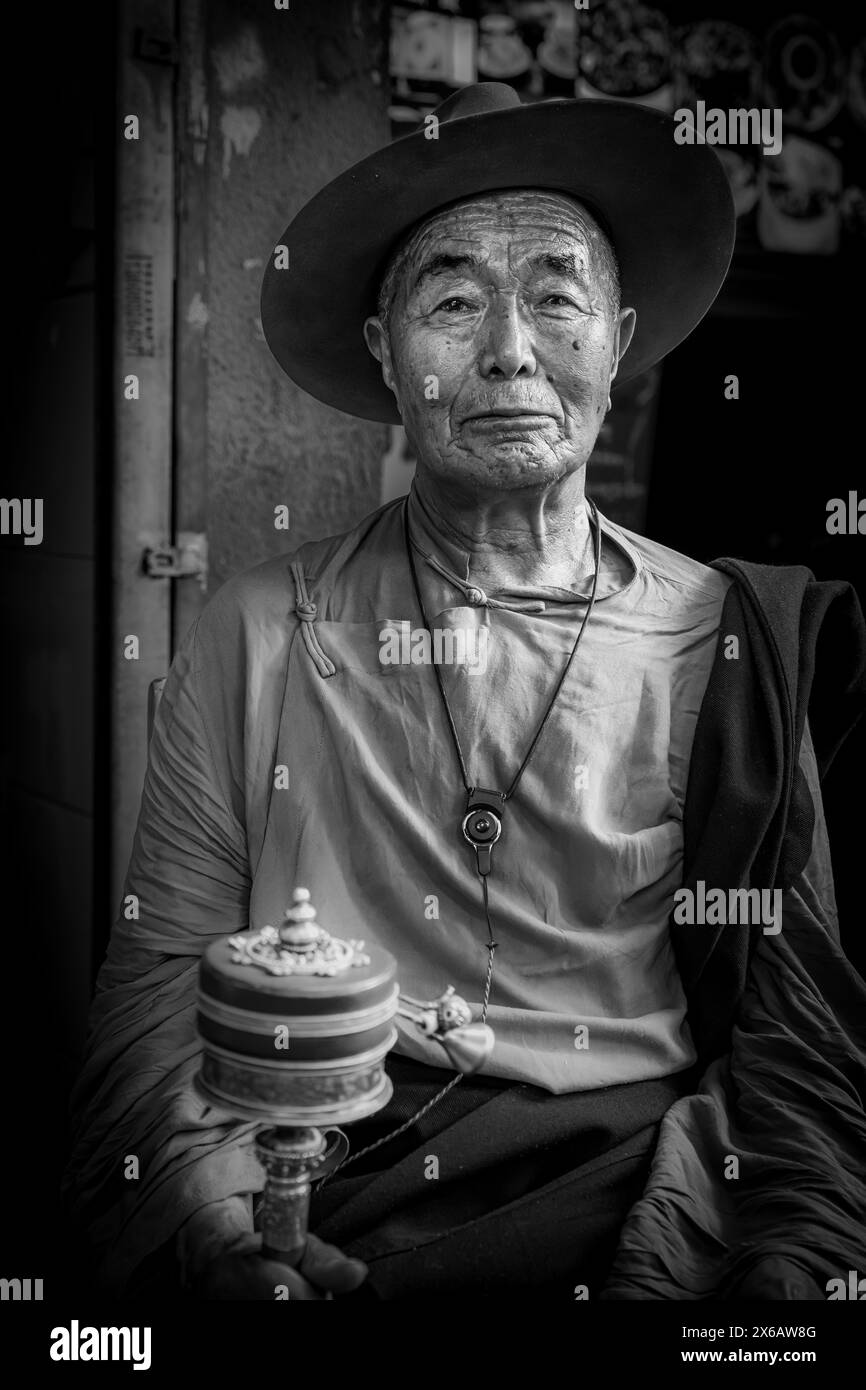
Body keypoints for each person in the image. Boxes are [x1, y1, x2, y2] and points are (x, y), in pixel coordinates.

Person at [64, 83, 866, 1301]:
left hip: (634, 1182)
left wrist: (780, 1271)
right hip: (323, 1166)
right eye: (450, 302)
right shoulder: (257, 630)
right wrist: (215, 1228)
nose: (506, 347)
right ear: (388, 354)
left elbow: (795, 1040)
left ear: (619, 339)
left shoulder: (729, 636)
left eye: (554, 296)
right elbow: (161, 981)